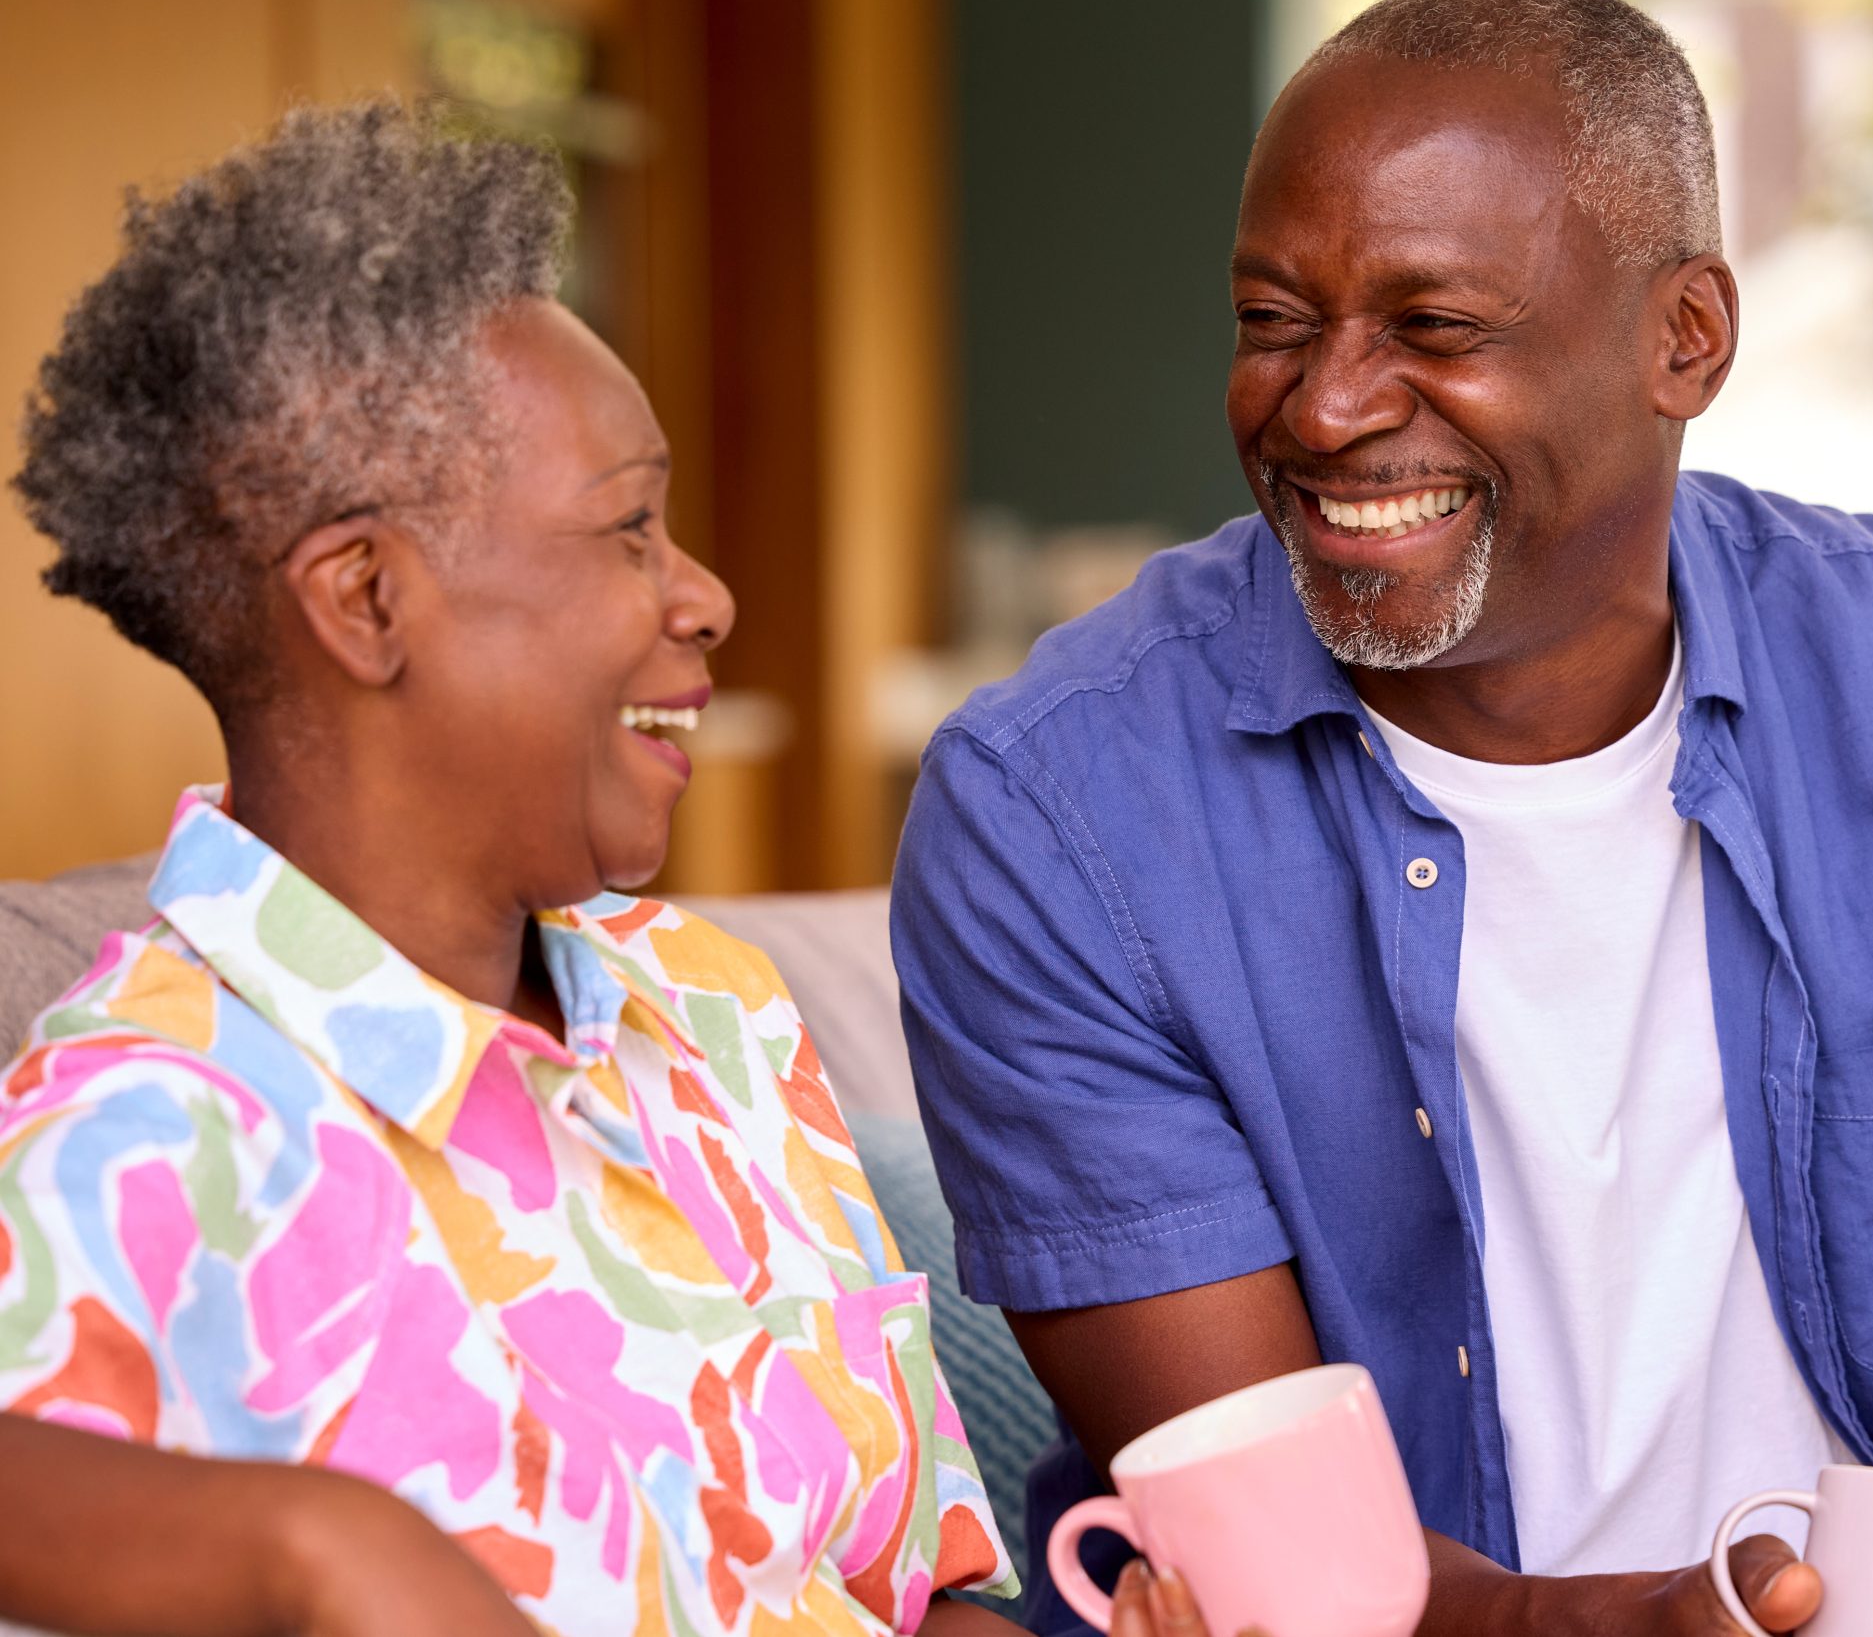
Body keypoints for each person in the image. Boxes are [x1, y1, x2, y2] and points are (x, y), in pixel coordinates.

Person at [892, 0, 1873, 1637]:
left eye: (1434, 329)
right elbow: (1290, 1566)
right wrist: (1657, 1629)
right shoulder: (1055, 814)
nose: (1327, 406)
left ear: (1684, 339)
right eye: (1275, 321)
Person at [0, 101, 1234, 1637]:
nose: (707, 597)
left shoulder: (713, 1016)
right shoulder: (131, 1149)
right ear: (367, 598)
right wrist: (319, 1553)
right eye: (630, 530)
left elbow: (919, 1596)